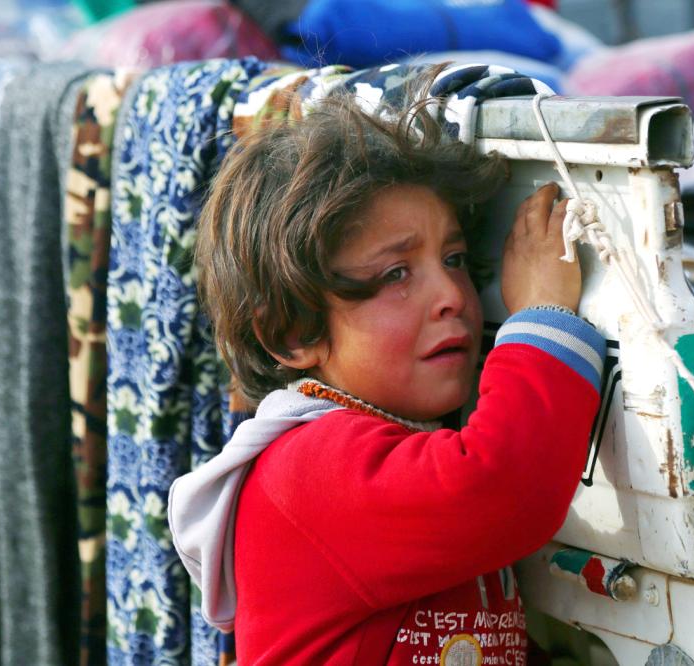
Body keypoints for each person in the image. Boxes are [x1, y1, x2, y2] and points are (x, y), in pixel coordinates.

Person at [168, 91, 606, 665]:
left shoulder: (398, 440)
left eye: (453, 260)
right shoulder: (311, 470)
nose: (452, 297)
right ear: (294, 332)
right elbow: (501, 489)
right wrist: (543, 318)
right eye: (396, 273)